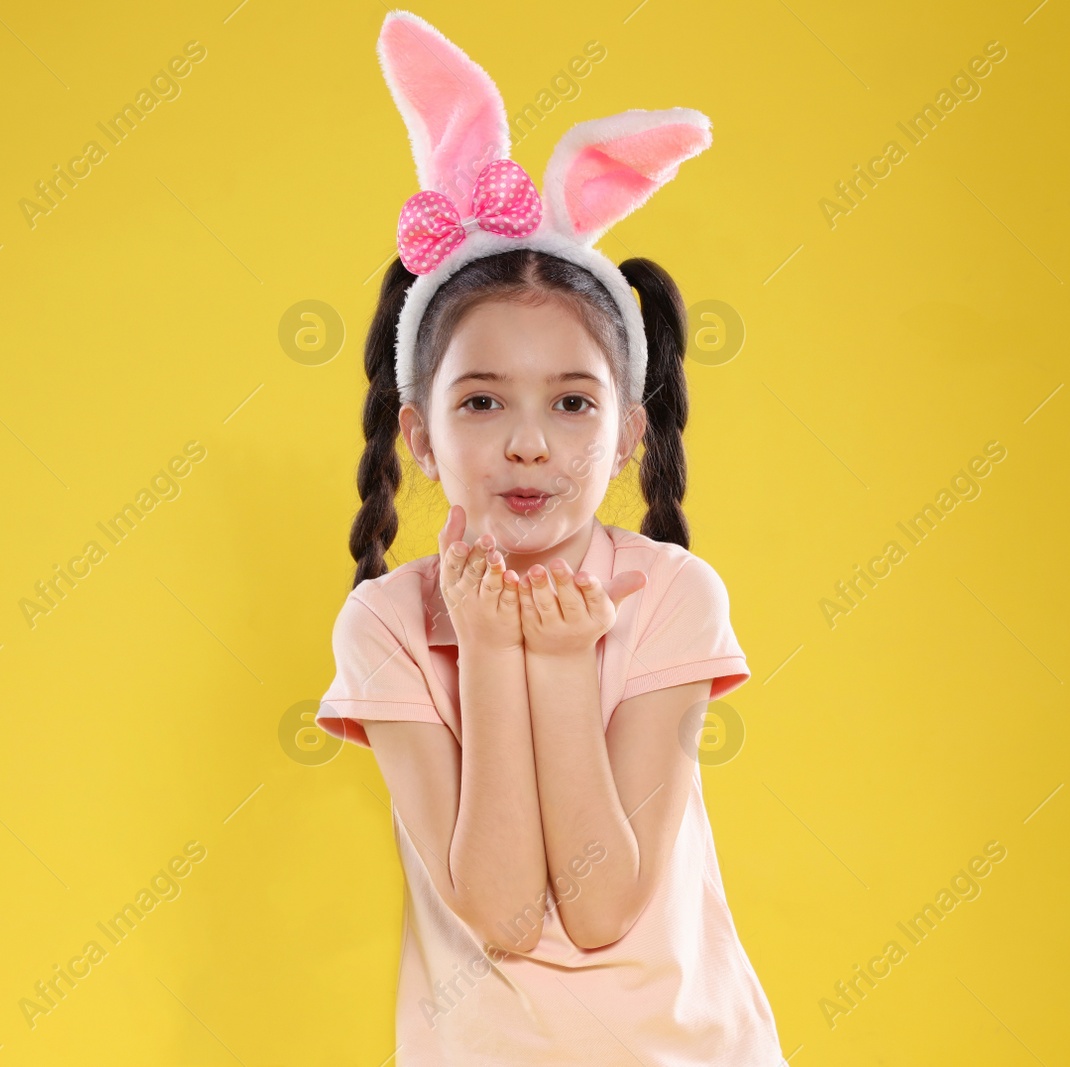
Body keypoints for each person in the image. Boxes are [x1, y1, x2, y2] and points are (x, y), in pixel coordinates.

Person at [316, 11, 787, 1065]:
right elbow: (502, 916)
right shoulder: (385, 623)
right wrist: (489, 650)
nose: (528, 443)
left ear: (625, 430)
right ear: (419, 434)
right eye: (480, 403)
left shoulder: (671, 593)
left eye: (572, 404)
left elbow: (601, 902)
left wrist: (563, 660)